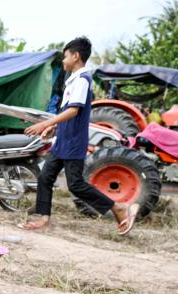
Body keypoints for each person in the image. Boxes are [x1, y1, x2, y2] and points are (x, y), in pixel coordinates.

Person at [20, 37, 139, 235]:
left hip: (74, 142)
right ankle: (43, 218)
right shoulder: (73, 80)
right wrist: (55, 129)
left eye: (65, 56)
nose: (63, 61)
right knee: (46, 176)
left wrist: (45, 123)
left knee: (75, 184)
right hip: (63, 139)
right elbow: (68, 112)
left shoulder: (82, 79)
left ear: (76, 56)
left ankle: (118, 207)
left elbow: (74, 110)